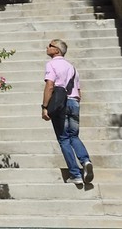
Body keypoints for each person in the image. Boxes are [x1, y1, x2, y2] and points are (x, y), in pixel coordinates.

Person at [42, 37, 93, 187]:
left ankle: (75, 175)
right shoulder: (72, 68)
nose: (47, 47)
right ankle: (85, 161)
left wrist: (45, 107)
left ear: (57, 50)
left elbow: (50, 86)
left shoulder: (51, 64)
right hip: (74, 103)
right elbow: (79, 92)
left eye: (50, 45)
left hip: (61, 104)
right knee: (74, 136)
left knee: (63, 139)